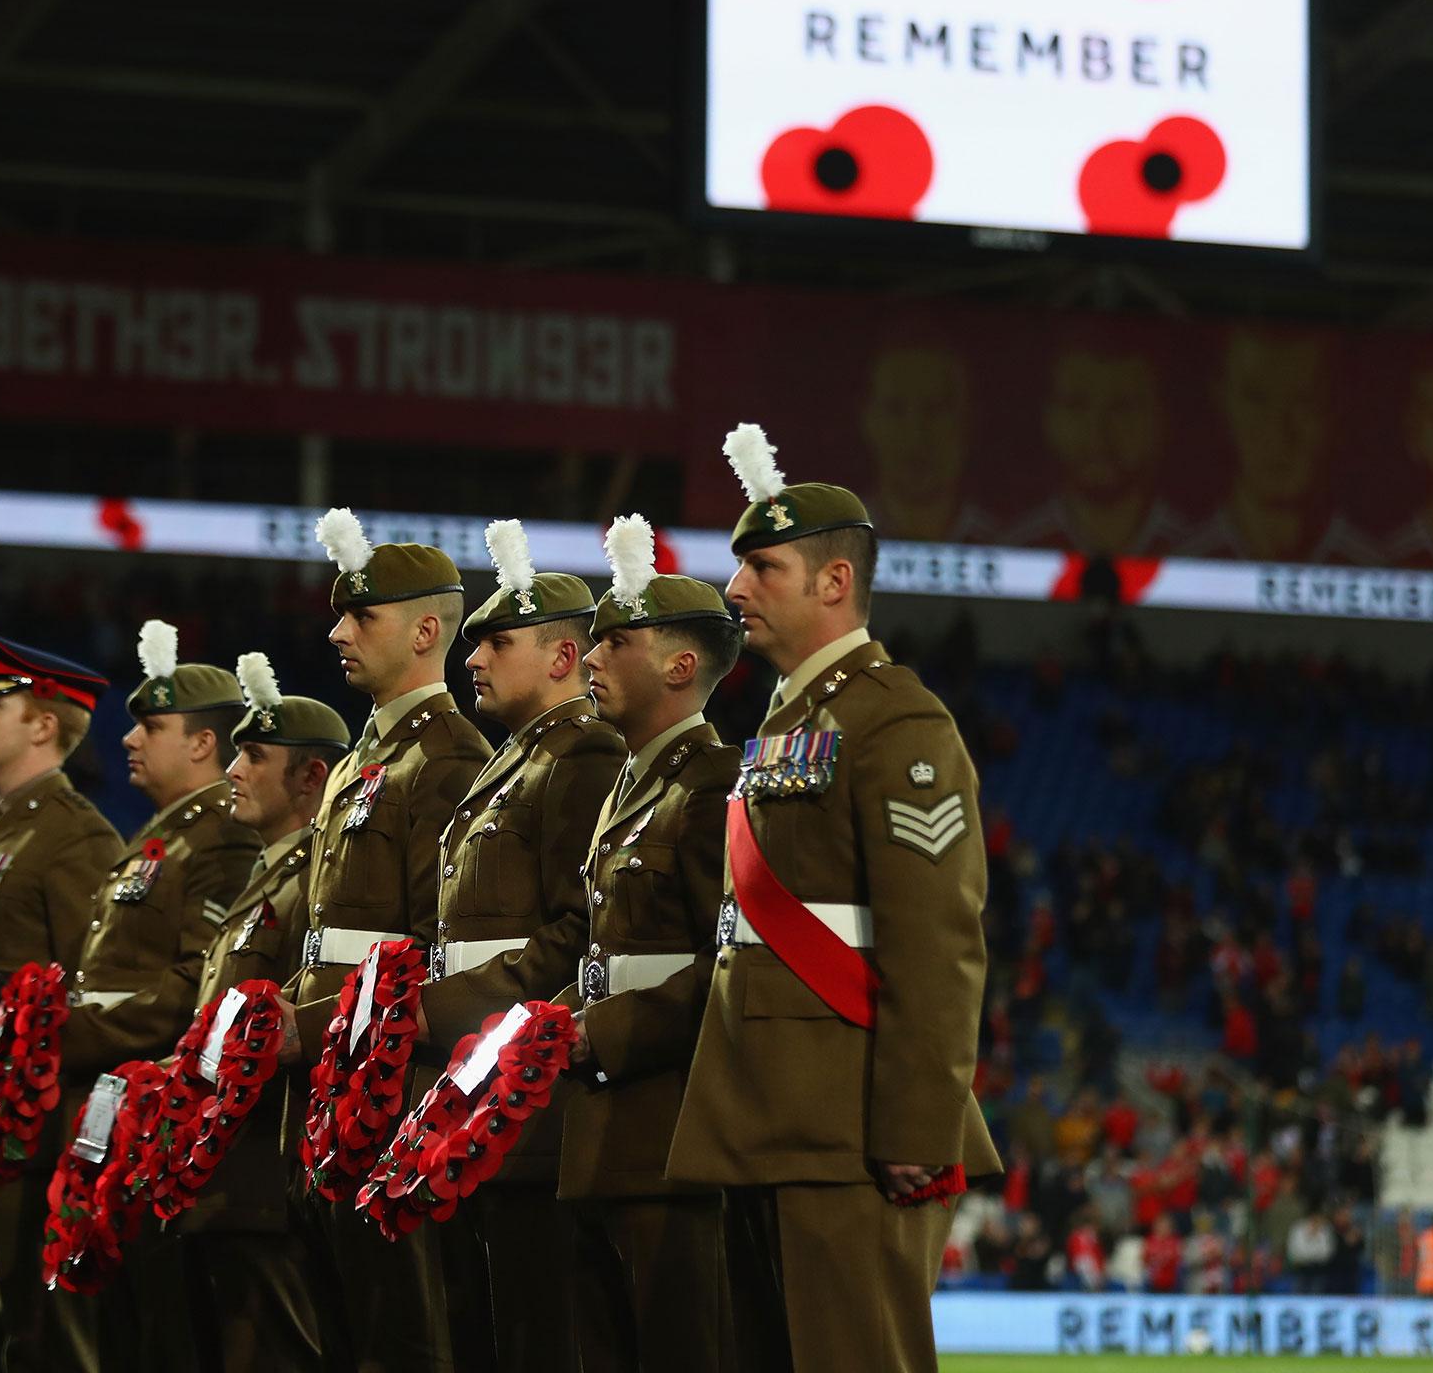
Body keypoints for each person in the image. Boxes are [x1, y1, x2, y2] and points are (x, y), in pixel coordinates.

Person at [666, 424, 1001, 1373]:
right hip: (768, 1120)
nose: (734, 592)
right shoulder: (787, 723)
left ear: (834, 583)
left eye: (762, 567)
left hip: (848, 1129)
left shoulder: (894, 717)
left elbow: (936, 941)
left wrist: (913, 1129)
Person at [277, 509, 491, 1373]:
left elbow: (426, 948)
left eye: (361, 617)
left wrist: (329, 1032)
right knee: (345, 1331)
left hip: (385, 1081)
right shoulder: (369, 757)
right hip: (331, 1070)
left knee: (403, 1331)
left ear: (427, 630)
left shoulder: (445, 758)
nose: (336, 631)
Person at [410, 519, 626, 1373]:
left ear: (562, 658)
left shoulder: (583, 756)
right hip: (476, 1077)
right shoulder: (518, 761)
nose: (473, 660)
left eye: (497, 643)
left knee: (537, 1330)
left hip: (527, 1095)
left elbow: (581, 930)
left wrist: (443, 1012)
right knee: (484, 1328)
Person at [555, 515, 744, 1373]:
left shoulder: (711, 787)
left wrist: (608, 1032)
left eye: (614, 640)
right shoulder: (631, 785)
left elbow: (732, 968)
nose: (589, 659)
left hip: (672, 1137)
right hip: (600, 1130)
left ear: (679, 665)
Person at [55, 622, 263, 1373]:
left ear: (204, 744)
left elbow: (193, 987)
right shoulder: (162, 838)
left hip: (153, 1114)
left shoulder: (223, 840)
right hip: (114, 1105)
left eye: (152, 726)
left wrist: (70, 1036)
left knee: (160, 1329)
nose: (130, 739)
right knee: (120, 1326)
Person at [0, 631, 121, 1373]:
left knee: (33, 1327)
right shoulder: (7, 818)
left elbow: (91, 982)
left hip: (24, 1110)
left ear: (44, 724)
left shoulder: (74, 834)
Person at [175, 656, 348, 1373]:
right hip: (230, 1171)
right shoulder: (270, 872)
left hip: (268, 1174)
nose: (234, 770)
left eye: (254, 755)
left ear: (310, 777)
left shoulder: (316, 874)